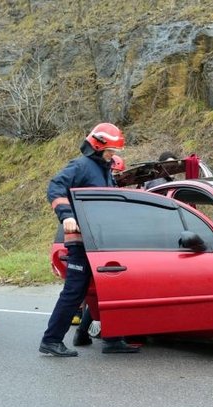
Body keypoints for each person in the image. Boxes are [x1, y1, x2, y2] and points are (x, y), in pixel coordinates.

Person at [40, 122, 140, 356]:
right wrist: (66, 216)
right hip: (82, 242)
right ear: (97, 146)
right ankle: (51, 340)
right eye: (111, 150)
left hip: (100, 243)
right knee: (74, 291)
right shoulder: (81, 166)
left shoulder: (104, 170)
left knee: (109, 290)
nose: (113, 155)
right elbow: (55, 187)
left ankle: (113, 340)